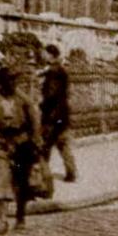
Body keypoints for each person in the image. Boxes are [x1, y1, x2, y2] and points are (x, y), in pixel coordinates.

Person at [0, 66, 42, 235]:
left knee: (21, 183)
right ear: (1, 83)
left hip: (21, 143)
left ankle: (20, 216)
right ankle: (2, 219)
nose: (12, 84)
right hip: (1, 143)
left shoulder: (24, 100)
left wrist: (35, 144)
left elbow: (34, 124)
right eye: (8, 81)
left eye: (14, 81)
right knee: (0, 179)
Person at [39, 46, 77, 183]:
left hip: (51, 116)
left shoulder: (53, 72)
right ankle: (71, 172)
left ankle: (44, 176)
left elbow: (51, 94)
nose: (42, 55)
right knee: (63, 145)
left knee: (44, 146)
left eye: (45, 53)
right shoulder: (61, 70)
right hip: (62, 114)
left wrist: (42, 103)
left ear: (51, 55)